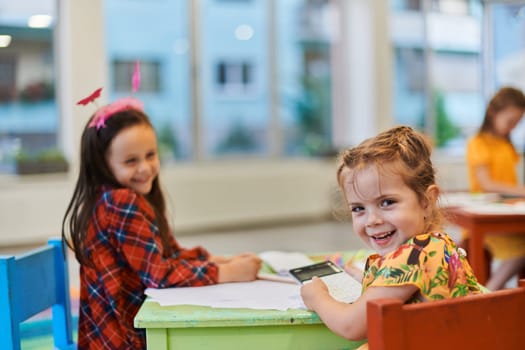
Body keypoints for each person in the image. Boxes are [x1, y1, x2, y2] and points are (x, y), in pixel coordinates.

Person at [62, 97, 262, 349]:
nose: (145, 168)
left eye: (150, 155)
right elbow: (160, 275)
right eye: (130, 161)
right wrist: (227, 272)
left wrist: (213, 260)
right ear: (103, 164)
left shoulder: (116, 199)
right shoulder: (119, 202)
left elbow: (167, 255)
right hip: (123, 339)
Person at [300, 126, 481, 345]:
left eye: (387, 202)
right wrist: (366, 278)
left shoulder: (413, 256)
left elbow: (351, 326)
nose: (372, 220)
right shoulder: (439, 244)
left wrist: (317, 297)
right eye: (358, 209)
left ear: (426, 201)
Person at [466, 86, 525, 290]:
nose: (512, 128)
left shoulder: (506, 145)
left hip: (508, 214)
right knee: (521, 250)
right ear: (493, 113)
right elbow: (487, 184)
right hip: (486, 220)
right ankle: (489, 294)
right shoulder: (478, 143)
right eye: (510, 122)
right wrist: (521, 190)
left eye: (517, 123)